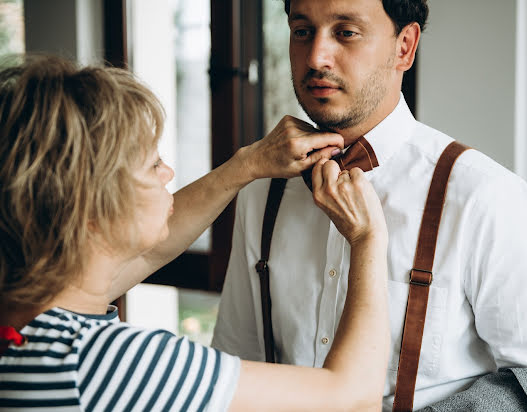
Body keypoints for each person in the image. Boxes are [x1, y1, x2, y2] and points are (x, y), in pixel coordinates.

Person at [212, 0, 527, 411]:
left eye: (345, 32)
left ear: (404, 46)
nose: (317, 56)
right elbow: (236, 364)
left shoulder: (483, 196)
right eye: (302, 31)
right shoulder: (262, 191)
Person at [0, 55, 391, 411]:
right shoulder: (105, 363)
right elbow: (352, 398)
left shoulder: (23, 322)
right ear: (89, 209)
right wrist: (367, 238)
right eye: (152, 164)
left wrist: (247, 165)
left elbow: (151, 253)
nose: (168, 174)